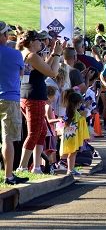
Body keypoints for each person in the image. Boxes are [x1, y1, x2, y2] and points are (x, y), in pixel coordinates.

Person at [17, 30, 62, 174]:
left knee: (41, 131)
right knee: (34, 132)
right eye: (38, 40)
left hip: (29, 96)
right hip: (33, 98)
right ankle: (22, 166)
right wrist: (56, 54)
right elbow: (53, 73)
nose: (41, 42)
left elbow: (42, 71)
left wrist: (53, 56)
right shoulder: (31, 55)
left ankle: (36, 166)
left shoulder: (27, 55)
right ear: (31, 42)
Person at [0, 22, 28, 184]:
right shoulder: (15, 54)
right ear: (4, 36)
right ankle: (8, 175)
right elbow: (21, 73)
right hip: (9, 98)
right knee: (8, 138)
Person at [60, 89, 90, 176]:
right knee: (72, 153)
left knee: (72, 153)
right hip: (72, 137)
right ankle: (70, 169)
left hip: (71, 136)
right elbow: (78, 122)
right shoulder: (72, 113)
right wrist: (83, 116)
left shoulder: (70, 112)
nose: (81, 105)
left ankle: (71, 169)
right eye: (80, 103)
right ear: (76, 103)